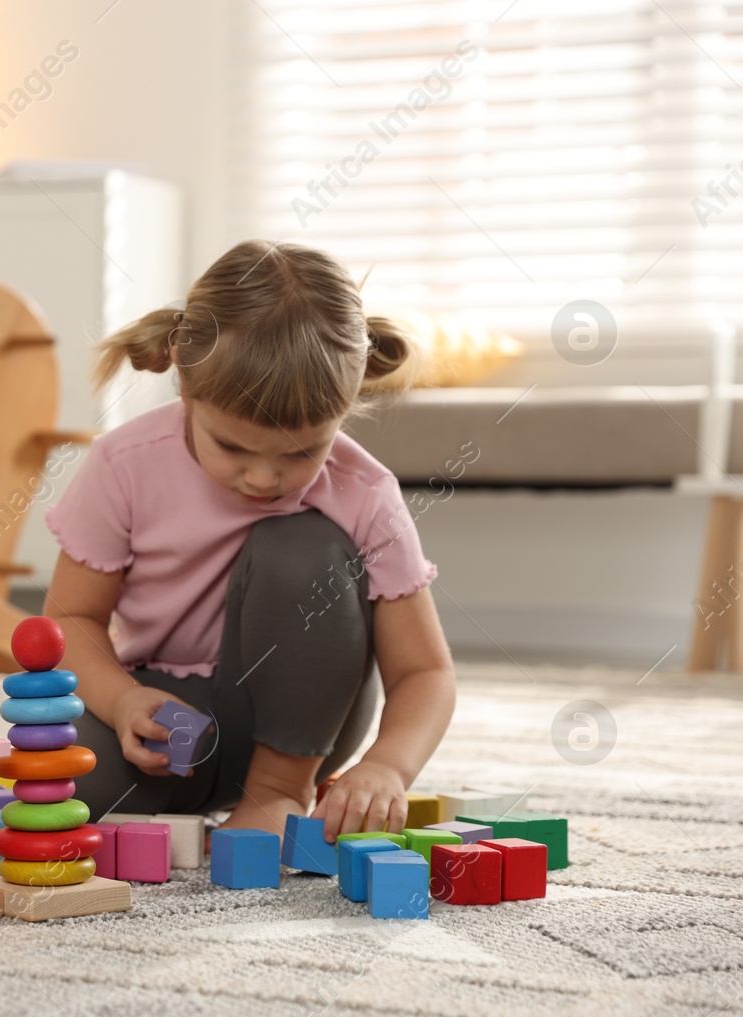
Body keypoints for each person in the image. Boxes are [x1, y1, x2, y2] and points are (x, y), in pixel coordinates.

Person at [44, 239, 457, 847]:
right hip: (168, 709)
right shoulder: (122, 464)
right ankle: (194, 799)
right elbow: (71, 617)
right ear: (185, 383)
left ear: (346, 408)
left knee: (302, 549)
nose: (264, 479)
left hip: (304, 719)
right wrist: (123, 700)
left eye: (300, 453)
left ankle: (278, 790)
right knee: (68, 784)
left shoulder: (365, 491)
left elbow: (425, 670)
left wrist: (386, 767)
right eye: (233, 447)